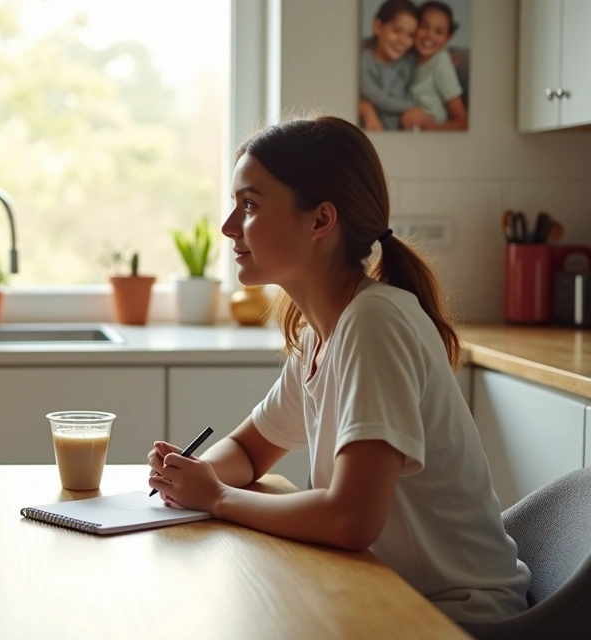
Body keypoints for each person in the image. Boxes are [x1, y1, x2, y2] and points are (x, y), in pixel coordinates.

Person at [146, 116, 531, 625]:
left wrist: (216, 497)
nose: (228, 227)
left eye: (251, 205)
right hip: (386, 592)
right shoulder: (321, 334)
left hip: (454, 616)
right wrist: (194, 477)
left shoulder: (374, 324)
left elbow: (351, 520)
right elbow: (248, 448)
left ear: (320, 220)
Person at [358, 0, 430, 131]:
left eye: (410, 35)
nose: (403, 41)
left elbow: (413, 91)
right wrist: (412, 107)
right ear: (378, 27)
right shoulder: (363, 60)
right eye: (397, 31)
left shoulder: (409, 62)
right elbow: (374, 96)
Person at [410, 1, 468, 130]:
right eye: (424, 27)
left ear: (448, 38)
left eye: (439, 32)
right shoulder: (409, 58)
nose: (430, 35)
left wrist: (428, 128)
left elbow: (462, 122)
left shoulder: (442, 62)